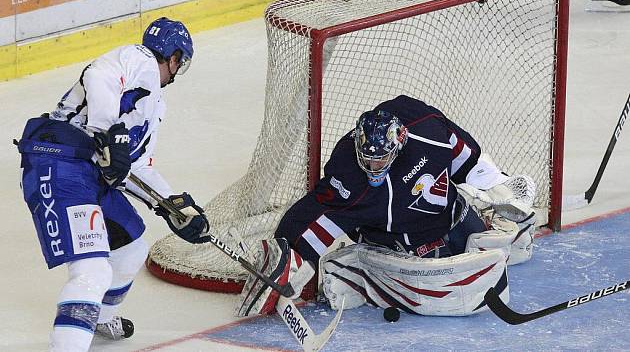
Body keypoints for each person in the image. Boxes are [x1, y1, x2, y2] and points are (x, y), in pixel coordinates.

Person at [235, 95, 537, 317]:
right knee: (452, 294)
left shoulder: (426, 129)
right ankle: (354, 270)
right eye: (368, 156)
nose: (373, 164)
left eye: (381, 157)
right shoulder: (350, 176)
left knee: (511, 245)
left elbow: (469, 162)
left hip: (454, 218)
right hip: (399, 250)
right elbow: (317, 214)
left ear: (400, 143)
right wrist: (290, 255)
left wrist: (499, 185)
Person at [15, 17, 209, 352]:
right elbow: (98, 75)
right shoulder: (140, 60)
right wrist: (110, 129)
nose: (177, 71)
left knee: (132, 248)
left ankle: (101, 315)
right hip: (57, 161)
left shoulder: (154, 106)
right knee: (93, 272)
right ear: (174, 57)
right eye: (180, 62)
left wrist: (172, 204)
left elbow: (136, 165)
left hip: (87, 173)